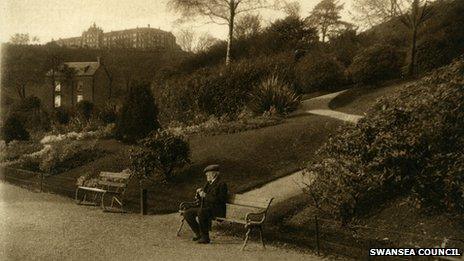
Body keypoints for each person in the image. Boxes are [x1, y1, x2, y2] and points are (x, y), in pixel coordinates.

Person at [183, 164, 228, 244]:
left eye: (208, 174)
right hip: (207, 208)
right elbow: (204, 196)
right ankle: (199, 234)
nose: (207, 175)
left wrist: (205, 195)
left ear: (214, 174)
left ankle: (205, 237)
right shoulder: (209, 183)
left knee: (201, 212)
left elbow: (221, 200)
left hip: (217, 209)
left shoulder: (222, 184)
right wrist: (199, 193)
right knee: (187, 213)